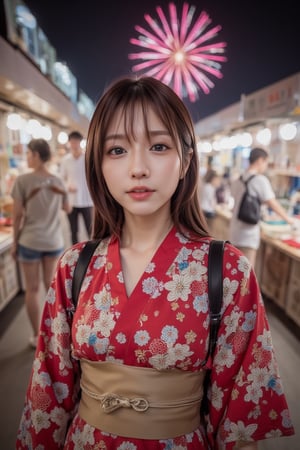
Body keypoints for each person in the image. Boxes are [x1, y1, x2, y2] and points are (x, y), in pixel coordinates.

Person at [16, 77, 294, 449]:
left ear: (186, 161)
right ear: (97, 164)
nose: (138, 168)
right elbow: (46, 399)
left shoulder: (227, 270)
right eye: (117, 150)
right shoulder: (74, 266)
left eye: (159, 146)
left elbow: (240, 414)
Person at [11, 138, 70, 348]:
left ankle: (36, 336)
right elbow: (68, 208)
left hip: (29, 241)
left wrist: (15, 243)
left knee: (32, 290)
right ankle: (53, 333)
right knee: (50, 288)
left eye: (28, 153)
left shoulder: (23, 181)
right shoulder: (57, 181)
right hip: (53, 241)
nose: (27, 157)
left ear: (36, 155)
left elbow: (17, 215)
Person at [229, 147, 296, 267]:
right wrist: (290, 220)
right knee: (246, 275)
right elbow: (273, 203)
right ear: (260, 160)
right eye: (266, 162)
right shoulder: (260, 180)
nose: (265, 166)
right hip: (248, 236)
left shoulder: (238, 179)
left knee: (234, 272)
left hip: (234, 232)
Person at [59, 130, 93, 244]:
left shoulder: (87, 158)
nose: (74, 144)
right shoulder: (65, 160)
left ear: (80, 142)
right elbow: (61, 178)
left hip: (87, 200)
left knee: (90, 229)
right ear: (69, 143)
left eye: (76, 141)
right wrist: (67, 186)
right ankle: (74, 256)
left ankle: (94, 253)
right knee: (73, 230)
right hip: (71, 201)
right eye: (72, 142)